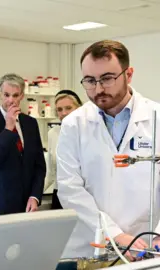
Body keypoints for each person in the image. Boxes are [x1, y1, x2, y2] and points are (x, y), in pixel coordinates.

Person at [57, 40, 160, 259]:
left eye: (107, 78)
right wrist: (114, 234)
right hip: (92, 246)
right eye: (89, 80)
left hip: (149, 245)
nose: (98, 89)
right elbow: (70, 189)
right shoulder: (73, 124)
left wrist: (159, 234)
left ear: (128, 74)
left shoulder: (156, 118)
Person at [0, 73, 46, 216]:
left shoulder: (31, 123)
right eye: (7, 95)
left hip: (26, 205)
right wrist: (8, 128)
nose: (11, 100)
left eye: (15, 95)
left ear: (22, 96)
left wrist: (35, 196)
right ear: (0, 94)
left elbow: (39, 165)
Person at [45, 90, 82, 209]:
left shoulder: (89, 133)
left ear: (79, 108)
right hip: (59, 195)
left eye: (68, 108)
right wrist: (34, 196)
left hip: (83, 196)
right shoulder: (53, 133)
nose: (64, 113)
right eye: (59, 110)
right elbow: (51, 173)